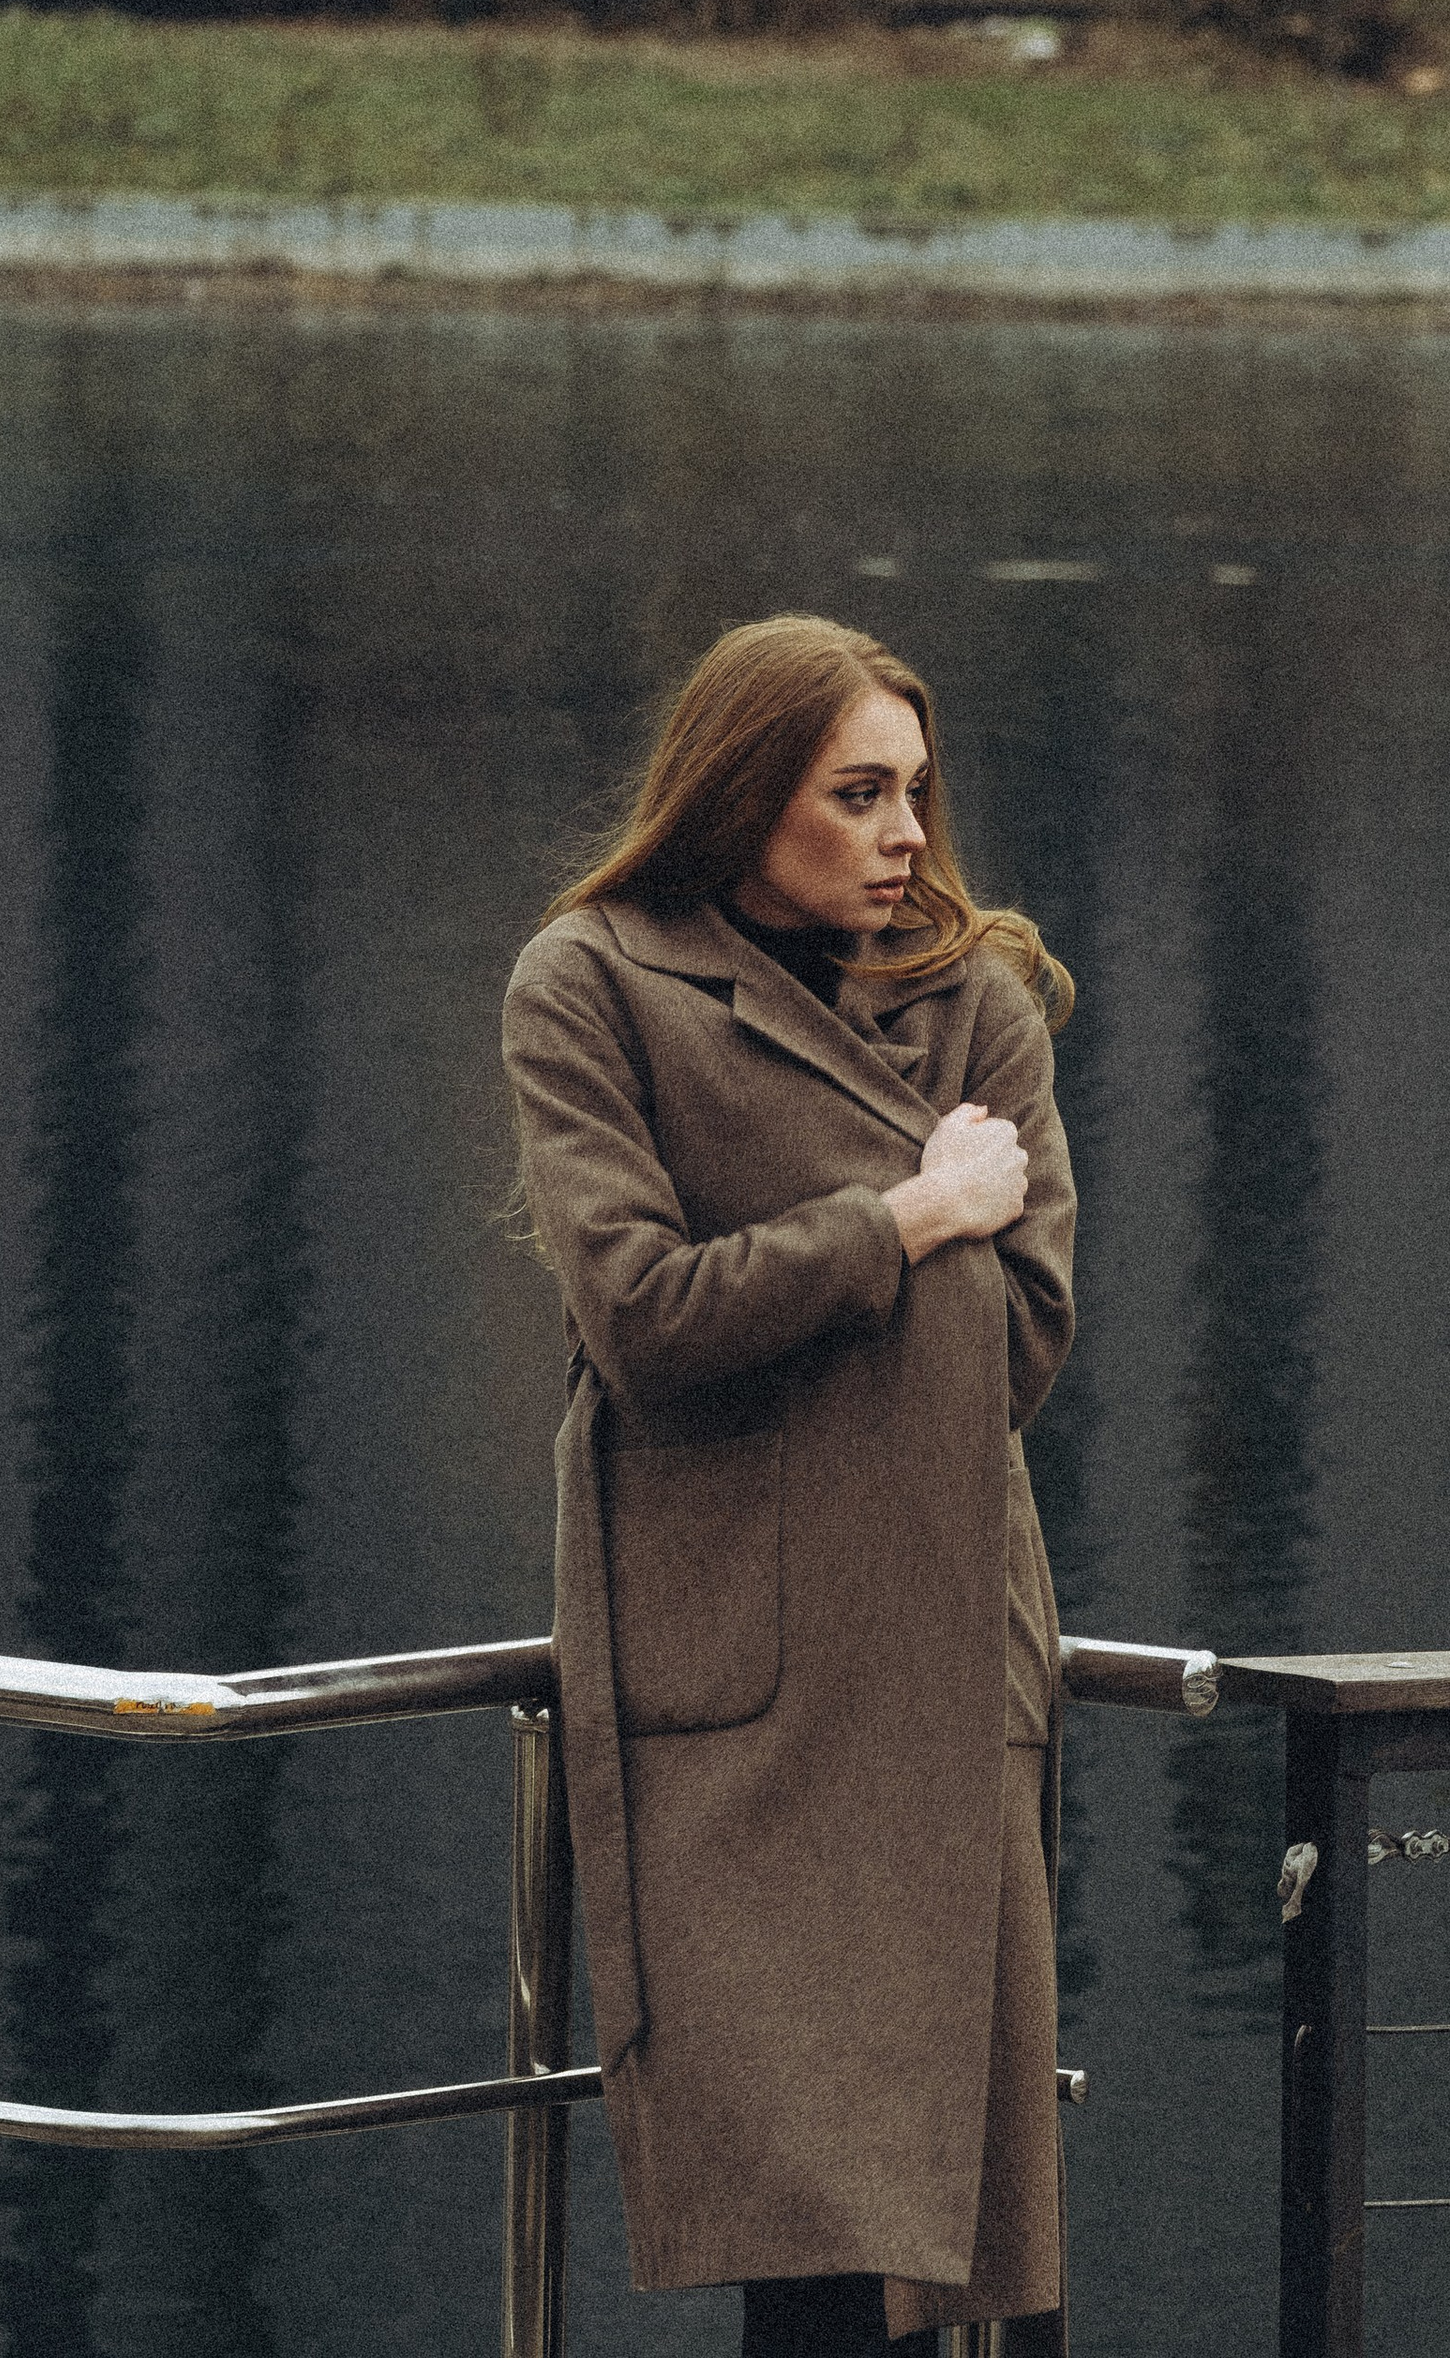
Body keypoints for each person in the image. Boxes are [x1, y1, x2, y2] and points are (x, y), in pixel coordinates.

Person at [502, 613, 1077, 2358]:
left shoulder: (979, 999)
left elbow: (1029, 1335)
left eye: (919, 789)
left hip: (950, 1654)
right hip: (737, 1692)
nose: (908, 834)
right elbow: (647, 1318)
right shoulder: (591, 982)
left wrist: (887, 1271)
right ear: (746, 793)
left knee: (991, 2247)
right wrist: (907, 1221)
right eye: (859, 793)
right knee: (816, 2242)